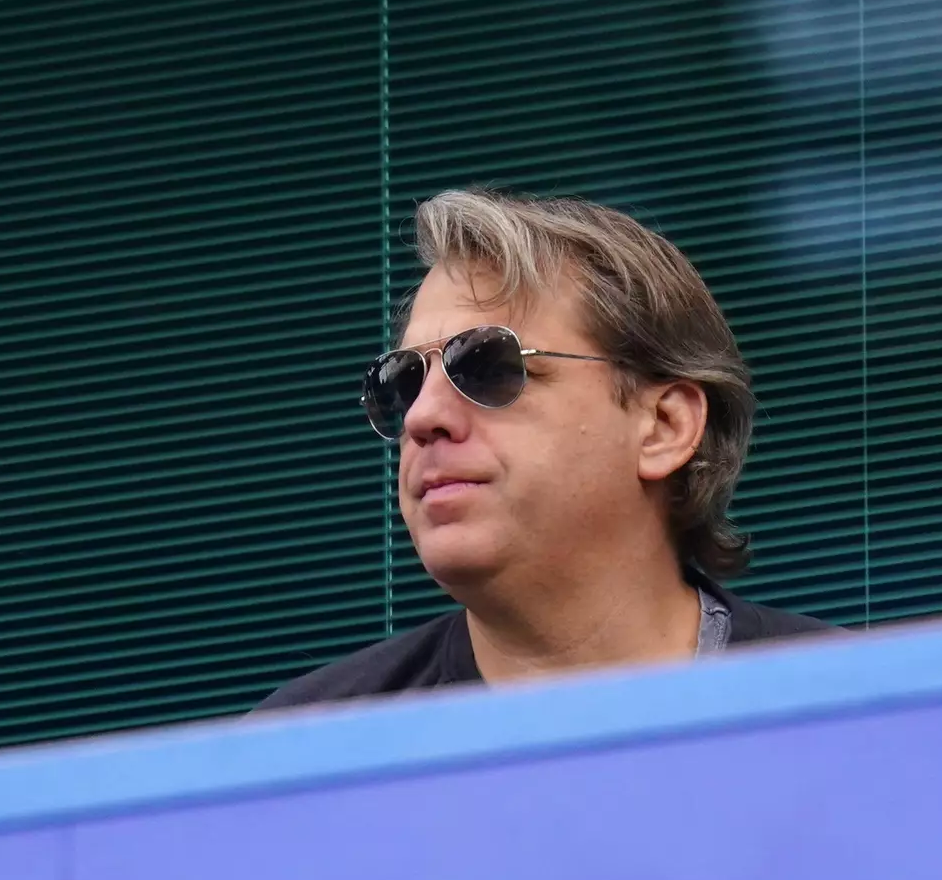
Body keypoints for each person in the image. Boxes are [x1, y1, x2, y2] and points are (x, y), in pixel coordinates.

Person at [256, 188, 836, 711]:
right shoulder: (308, 753)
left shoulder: (854, 715)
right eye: (402, 382)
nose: (424, 416)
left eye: (486, 366)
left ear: (664, 426)